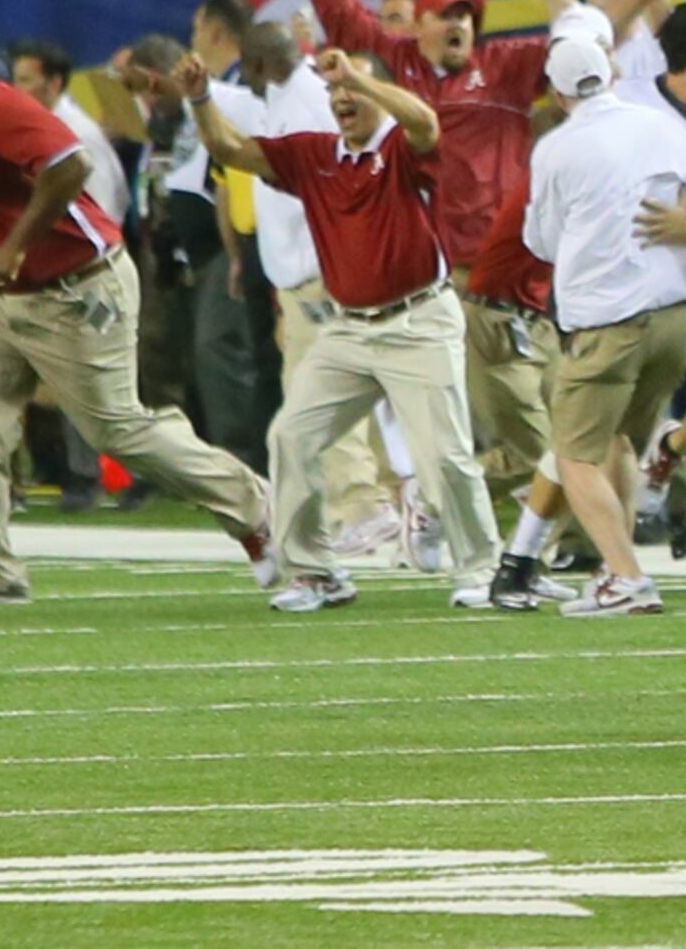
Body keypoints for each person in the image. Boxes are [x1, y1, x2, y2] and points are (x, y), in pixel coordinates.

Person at [0, 24, 271, 606]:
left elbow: (69, 165)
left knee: (115, 429)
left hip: (75, 284)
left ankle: (254, 508)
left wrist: (16, 243)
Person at [179, 48, 506, 612]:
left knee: (446, 455)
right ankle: (314, 571)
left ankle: (482, 568)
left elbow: (425, 122)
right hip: (349, 329)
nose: (342, 98)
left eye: (353, 87)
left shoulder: (402, 147)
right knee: (291, 437)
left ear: (380, 88)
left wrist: (357, 75)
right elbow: (232, 149)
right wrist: (200, 97)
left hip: (418, 320)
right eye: (333, 91)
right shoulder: (315, 155)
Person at [301, 0, 558, 542]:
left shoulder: (502, 66)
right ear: (415, 26)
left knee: (563, 427)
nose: (455, 24)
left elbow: (578, 29)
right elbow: (334, 3)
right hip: (459, 276)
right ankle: (455, 509)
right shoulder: (393, 61)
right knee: (535, 435)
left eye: (463, 16)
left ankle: (445, 504)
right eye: (441, 15)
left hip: (533, 272)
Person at [519, 27, 686, 618]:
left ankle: (626, 576)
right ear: (612, 72)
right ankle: (615, 569)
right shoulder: (663, 124)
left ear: (556, 92)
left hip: (610, 316)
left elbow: (542, 240)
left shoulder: (556, 147)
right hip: (679, 310)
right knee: (618, 439)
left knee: (574, 454)